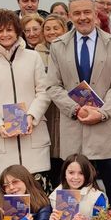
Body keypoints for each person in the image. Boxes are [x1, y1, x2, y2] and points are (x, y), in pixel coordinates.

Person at [46, 0, 111, 209]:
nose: (82, 17)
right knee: (73, 194)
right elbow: (53, 86)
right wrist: (75, 109)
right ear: (69, 16)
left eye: (87, 12)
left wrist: (102, 112)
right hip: (74, 128)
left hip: (105, 130)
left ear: (95, 13)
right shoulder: (58, 46)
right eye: (77, 13)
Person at [0, 8, 52, 179]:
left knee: (36, 190)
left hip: (33, 137)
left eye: (9, 29)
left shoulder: (33, 57)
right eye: (0, 31)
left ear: (17, 31)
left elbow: (44, 92)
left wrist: (32, 116)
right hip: (2, 141)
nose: (5, 35)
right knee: (9, 191)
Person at [41, 13, 70, 184]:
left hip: (67, 106)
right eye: (47, 29)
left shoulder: (70, 50)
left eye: (56, 28)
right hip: (49, 110)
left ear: (64, 29)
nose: (52, 32)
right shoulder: (36, 53)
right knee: (52, 156)